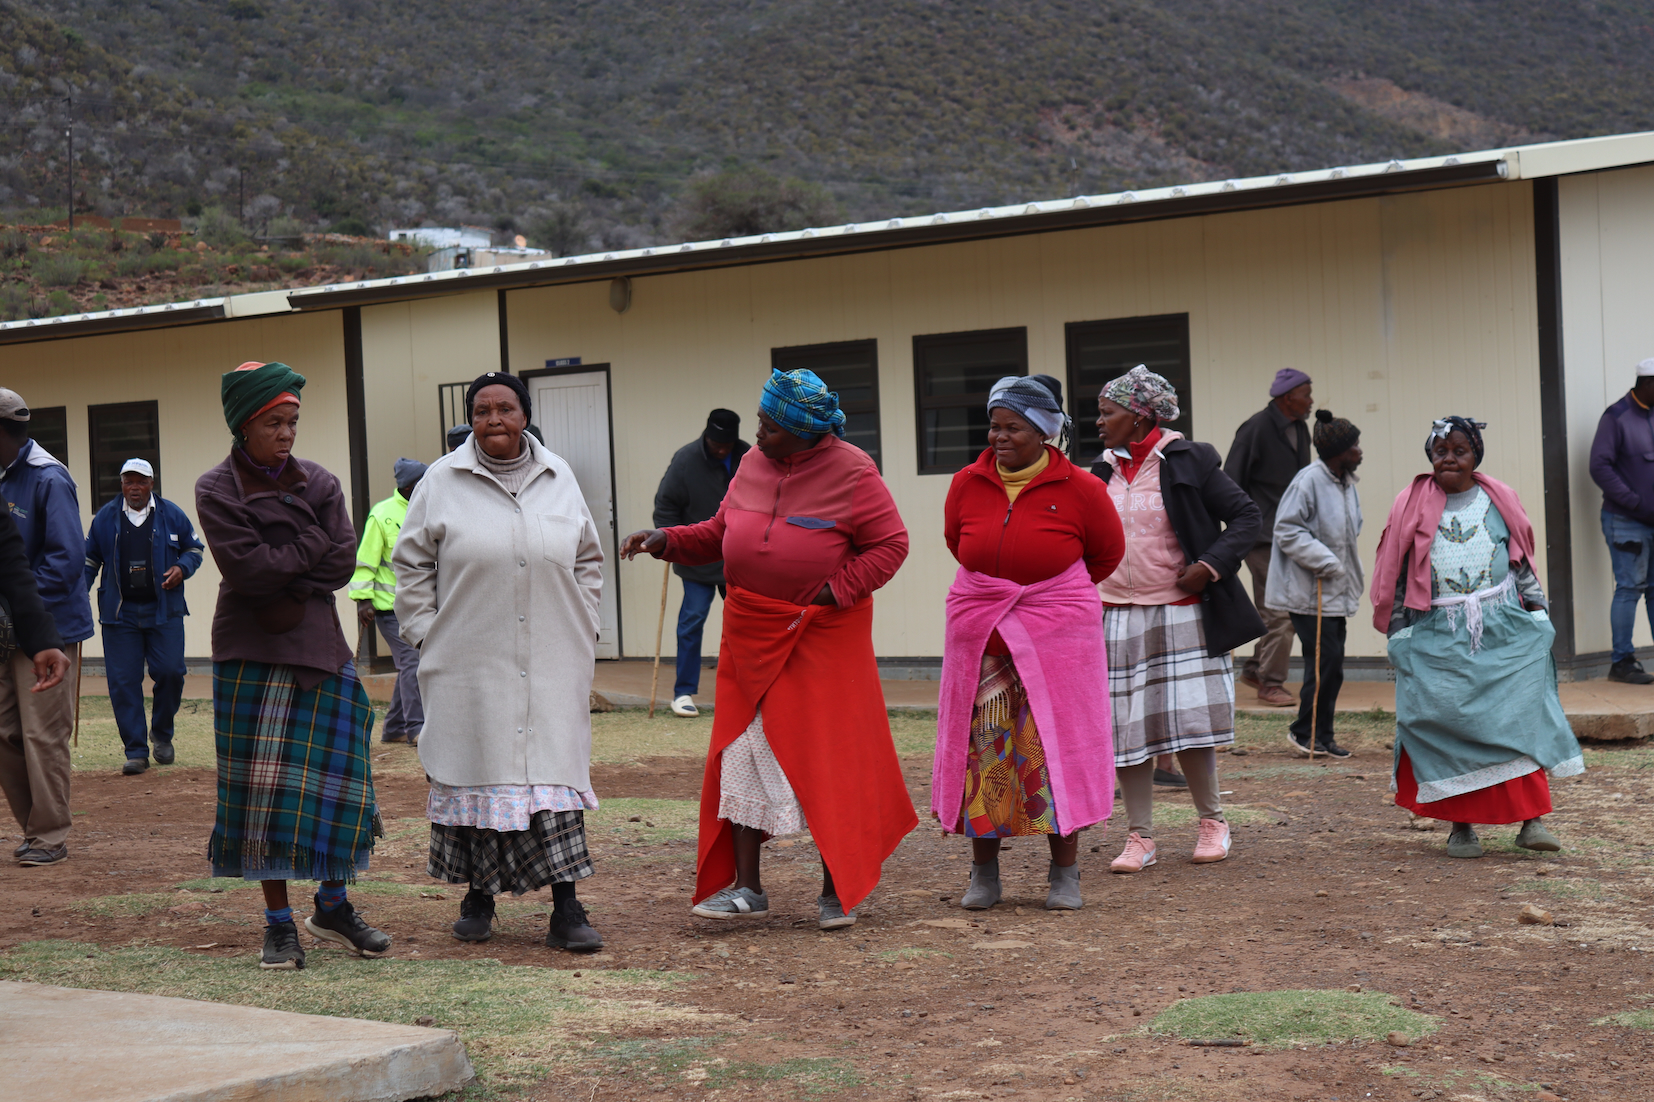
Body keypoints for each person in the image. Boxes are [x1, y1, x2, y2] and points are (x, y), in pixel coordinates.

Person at [620, 367, 913, 930]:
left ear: (805, 431)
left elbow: (890, 544)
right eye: (760, 421)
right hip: (751, 632)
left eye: (770, 427)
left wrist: (834, 590)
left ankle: (837, 889)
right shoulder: (751, 466)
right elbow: (719, 531)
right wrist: (667, 540)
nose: (758, 435)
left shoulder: (853, 471)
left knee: (825, 757)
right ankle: (747, 887)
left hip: (821, 636)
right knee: (744, 752)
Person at [395, 371, 607, 951]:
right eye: (483, 409)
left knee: (553, 780)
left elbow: (588, 558)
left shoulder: (559, 476)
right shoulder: (441, 481)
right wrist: (424, 634)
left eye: (506, 409)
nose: (494, 419)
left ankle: (566, 908)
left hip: (552, 658)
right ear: (472, 419)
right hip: (469, 659)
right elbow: (410, 565)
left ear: (525, 415)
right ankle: (478, 898)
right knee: (479, 768)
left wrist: (585, 623)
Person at [196, 361, 389, 970]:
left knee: (338, 787)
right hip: (250, 654)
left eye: (293, 422)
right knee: (262, 800)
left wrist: (286, 558)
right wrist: (309, 546)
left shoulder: (322, 482)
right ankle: (279, 925)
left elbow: (343, 563)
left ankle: (332, 906)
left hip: (322, 648)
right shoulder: (215, 489)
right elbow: (248, 571)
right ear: (244, 425)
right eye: (274, 422)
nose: (286, 433)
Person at [934, 375, 1123, 911]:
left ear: (1042, 431)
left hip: (1058, 642)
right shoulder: (967, 483)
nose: (999, 436)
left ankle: (1065, 875)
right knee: (983, 755)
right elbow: (957, 542)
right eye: (994, 426)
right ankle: (983, 874)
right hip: (983, 644)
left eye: (1013, 427)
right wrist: (1002, 596)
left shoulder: (1084, 490)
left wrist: (1044, 600)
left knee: (1055, 751)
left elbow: (1104, 557)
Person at [1373, 416, 1581, 859]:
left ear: (1475, 456)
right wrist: (1397, 632)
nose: (1449, 458)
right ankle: (1460, 827)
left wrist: (1539, 612)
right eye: (1440, 451)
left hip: (1503, 627)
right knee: (1444, 723)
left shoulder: (1498, 498)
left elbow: (1520, 562)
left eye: (1459, 450)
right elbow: (1395, 573)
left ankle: (1531, 822)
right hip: (1436, 632)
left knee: (1519, 718)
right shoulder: (1408, 504)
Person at [1093, 366, 1264, 872]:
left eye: (1108, 413)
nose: (1099, 422)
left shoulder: (1190, 459)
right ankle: (1139, 835)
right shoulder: (1099, 471)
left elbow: (1246, 516)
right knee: (1128, 729)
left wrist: (1208, 565)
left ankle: (1212, 822)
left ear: (1140, 415)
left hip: (1180, 611)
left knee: (1190, 722)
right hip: (1117, 616)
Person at [0, 388, 93, 867]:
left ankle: (50, 835)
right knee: (6, 733)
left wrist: (21, 608)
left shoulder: (47, 478)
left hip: (47, 629)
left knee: (42, 732)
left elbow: (66, 558)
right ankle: (34, 829)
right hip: (6, 629)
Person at [83, 458, 205, 775]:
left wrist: (182, 568)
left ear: (152, 483)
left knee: (170, 672)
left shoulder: (172, 514)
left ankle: (161, 734)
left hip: (163, 610)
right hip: (119, 614)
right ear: (121, 484)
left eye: (140, 481)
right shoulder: (105, 519)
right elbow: (89, 561)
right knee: (123, 682)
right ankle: (136, 751)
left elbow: (194, 550)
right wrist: (76, 593)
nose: (134, 488)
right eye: (128, 482)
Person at [1267, 410, 1364, 759]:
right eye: (1354, 445)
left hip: (1336, 590)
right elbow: (1287, 529)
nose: (1359, 450)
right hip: (1309, 592)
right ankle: (1303, 731)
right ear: (1338, 451)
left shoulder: (1345, 482)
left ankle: (1324, 734)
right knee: (1322, 663)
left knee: (1332, 667)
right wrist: (1323, 559)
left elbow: (1352, 528)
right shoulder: (1308, 481)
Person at [1224, 368, 1313, 707]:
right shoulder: (1256, 429)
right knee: (1280, 611)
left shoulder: (1300, 428)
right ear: (1287, 397)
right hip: (1260, 536)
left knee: (1274, 608)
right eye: (1306, 394)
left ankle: (1255, 668)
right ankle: (1270, 683)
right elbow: (1230, 482)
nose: (1311, 400)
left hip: (1290, 533)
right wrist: (1243, 526)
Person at [653, 409, 750, 717]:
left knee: (744, 625)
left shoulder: (749, 457)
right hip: (697, 559)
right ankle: (683, 693)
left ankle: (747, 691)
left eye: (726, 444)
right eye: (715, 443)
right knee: (691, 622)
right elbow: (666, 505)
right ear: (706, 436)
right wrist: (670, 543)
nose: (721, 449)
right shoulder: (685, 460)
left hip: (738, 559)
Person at [350, 458, 427, 745]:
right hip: (388, 608)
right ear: (409, 486)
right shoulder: (381, 515)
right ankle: (416, 727)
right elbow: (365, 562)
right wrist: (362, 600)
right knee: (413, 661)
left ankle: (394, 727)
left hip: (420, 606)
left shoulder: (429, 510)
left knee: (412, 662)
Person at [1588, 358, 1654, 684]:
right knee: (1629, 588)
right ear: (1649, 384)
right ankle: (1622, 662)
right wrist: (1636, 503)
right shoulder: (1616, 417)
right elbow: (1599, 466)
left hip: (1652, 522)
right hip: (1626, 520)